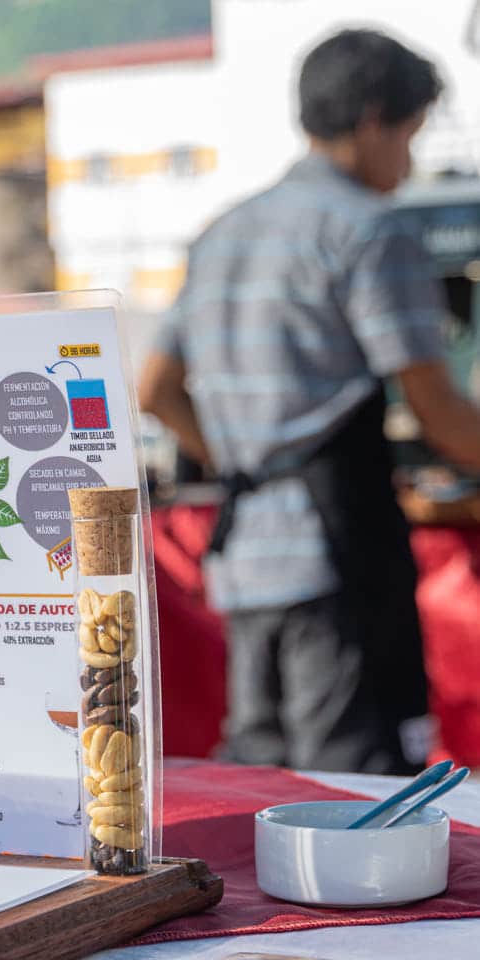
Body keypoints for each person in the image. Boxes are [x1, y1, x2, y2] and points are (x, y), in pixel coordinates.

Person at [139, 29, 480, 773]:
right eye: (410, 135)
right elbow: (437, 410)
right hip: (333, 552)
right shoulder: (368, 230)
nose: (409, 160)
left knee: (256, 779)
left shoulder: (222, 231)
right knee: (350, 785)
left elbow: (155, 390)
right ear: (371, 119)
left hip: (242, 555)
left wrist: (242, 456)